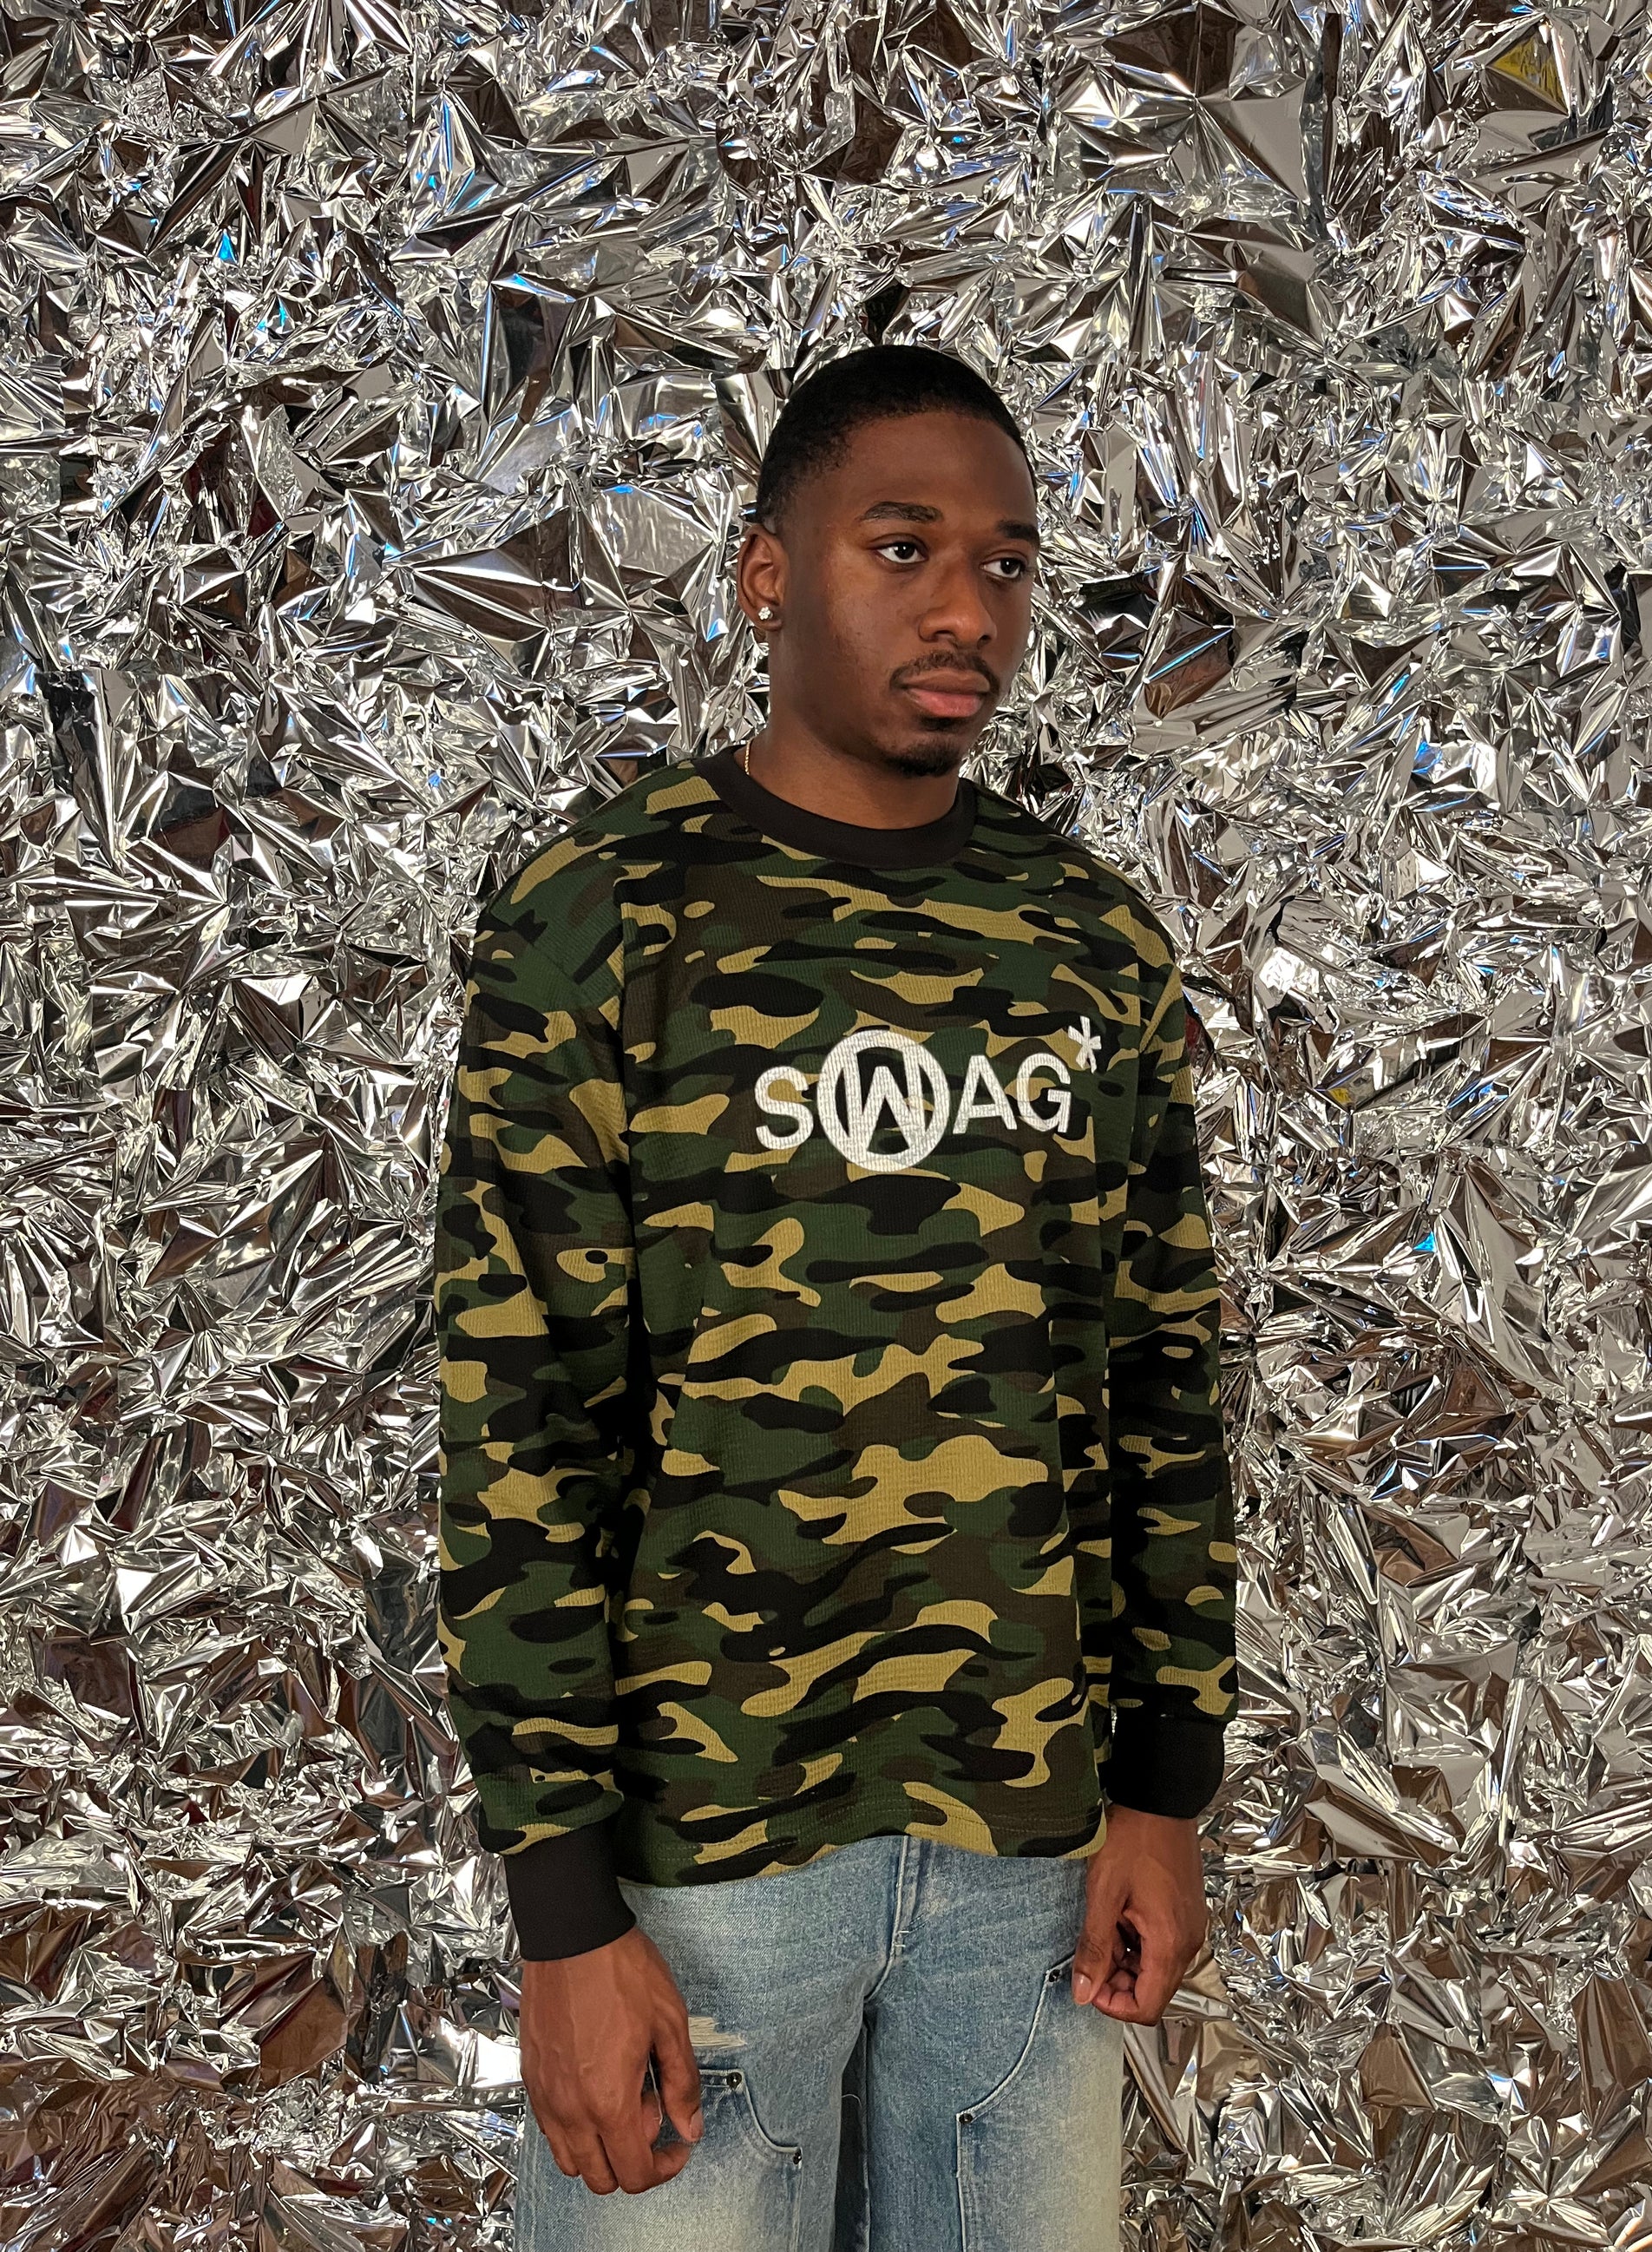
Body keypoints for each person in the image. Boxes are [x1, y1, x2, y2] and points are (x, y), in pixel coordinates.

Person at [434, 345, 1238, 2252]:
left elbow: (1158, 1381)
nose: (967, 608)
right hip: (701, 1863)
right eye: (902, 546)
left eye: (1007, 561)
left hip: (1030, 1852)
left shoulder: (1085, 940)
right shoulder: (603, 916)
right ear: (766, 573)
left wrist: (1163, 1786)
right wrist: (562, 1910)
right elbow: (517, 1423)